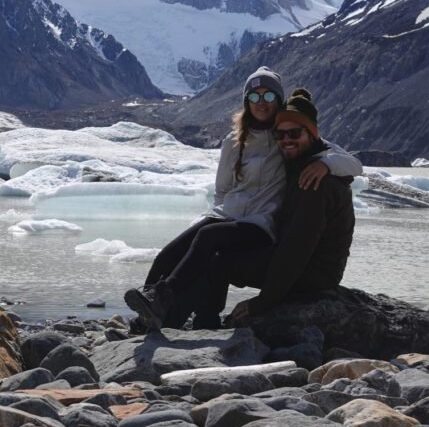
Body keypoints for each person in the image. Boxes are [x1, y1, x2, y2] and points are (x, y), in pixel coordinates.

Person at [124, 68, 361, 331]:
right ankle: (148, 312)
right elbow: (222, 189)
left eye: (269, 95)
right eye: (255, 95)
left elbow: (350, 162)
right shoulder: (235, 141)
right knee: (169, 255)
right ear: (246, 101)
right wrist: (221, 214)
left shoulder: (285, 133)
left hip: (261, 222)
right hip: (229, 215)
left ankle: (166, 298)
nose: (261, 101)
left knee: (208, 240)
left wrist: (326, 164)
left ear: (278, 100)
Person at [220, 88, 357, 322]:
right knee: (218, 249)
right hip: (310, 267)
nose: (286, 141)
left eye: (294, 133)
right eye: (280, 135)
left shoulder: (314, 182)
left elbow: (297, 247)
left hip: (314, 275)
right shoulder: (302, 165)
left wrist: (265, 301)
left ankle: (203, 325)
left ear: (312, 135)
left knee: (219, 261)